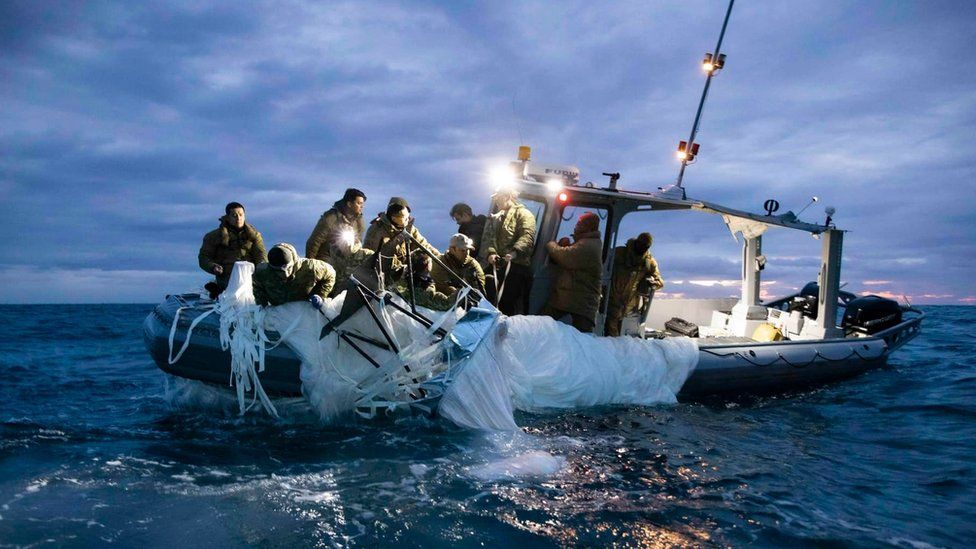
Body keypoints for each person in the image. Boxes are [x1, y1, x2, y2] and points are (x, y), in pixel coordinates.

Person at [540, 212, 603, 333]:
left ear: (589, 227)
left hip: (581, 303)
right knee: (543, 320)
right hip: (574, 299)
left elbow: (565, 257)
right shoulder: (586, 242)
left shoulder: (589, 245)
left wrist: (551, 244)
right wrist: (566, 245)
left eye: (580, 224)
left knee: (581, 339)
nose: (576, 226)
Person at [305, 188, 372, 295]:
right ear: (349, 204)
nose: (362, 206)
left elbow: (358, 242)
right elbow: (314, 242)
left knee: (369, 255)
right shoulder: (330, 218)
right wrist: (310, 267)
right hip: (327, 256)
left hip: (347, 256)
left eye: (362, 204)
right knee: (330, 279)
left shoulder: (359, 221)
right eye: (359, 203)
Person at [482, 189, 536, 315]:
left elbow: (527, 236)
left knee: (507, 304)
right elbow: (490, 237)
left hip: (516, 268)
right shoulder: (496, 217)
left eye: (498, 198)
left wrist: (514, 252)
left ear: (507, 196)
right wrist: (491, 253)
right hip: (497, 266)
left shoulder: (524, 214)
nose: (495, 201)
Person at [198, 201, 267, 298]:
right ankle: (218, 290)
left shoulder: (254, 236)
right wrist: (213, 267)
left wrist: (262, 268)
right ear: (227, 217)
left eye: (241, 214)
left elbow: (260, 255)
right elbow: (204, 258)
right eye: (234, 215)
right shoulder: (213, 236)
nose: (238, 218)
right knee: (233, 295)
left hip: (250, 276)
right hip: (227, 276)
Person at [363, 197, 439, 285]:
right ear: (394, 218)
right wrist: (403, 270)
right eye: (405, 218)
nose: (408, 219)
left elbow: (424, 245)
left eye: (408, 216)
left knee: (424, 257)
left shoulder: (409, 229)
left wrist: (440, 258)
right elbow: (377, 259)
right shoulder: (376, 231)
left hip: (404, 273)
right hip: (382, 276)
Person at [604, 232, 665, 337]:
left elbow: (659, 281)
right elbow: (602, 265)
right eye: (641, 244)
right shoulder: (619, 253)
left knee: (624, 336)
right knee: (610, 334)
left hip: (630, 307)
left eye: (645, 246)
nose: (642, 248)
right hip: (610, 301)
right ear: (636, 242)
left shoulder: (649, 262)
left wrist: (652, 282)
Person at [252, 243, 336, 307]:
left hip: (306, 311)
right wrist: (263, 306)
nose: (285, 274)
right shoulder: (262, 272)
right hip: (280, 313)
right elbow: (257, 287)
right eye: (279, 271)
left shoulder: (311, 268)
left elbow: (331, 274)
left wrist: (320, 295)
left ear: (293, 262)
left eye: (288, 268)